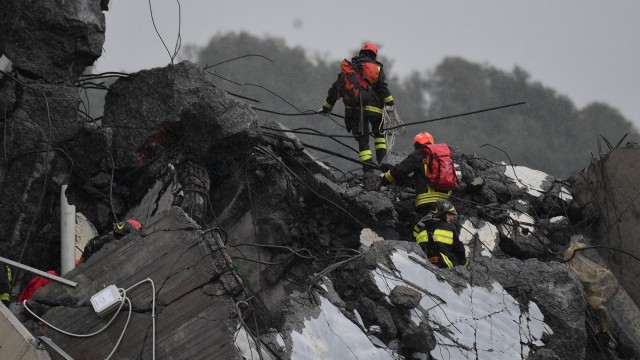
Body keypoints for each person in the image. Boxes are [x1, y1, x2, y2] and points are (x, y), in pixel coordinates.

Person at [320, 42, 395, 174]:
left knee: (363, 141)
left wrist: (326, 108)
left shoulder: (349, 70)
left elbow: (335, 90)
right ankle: (384, 167)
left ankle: (368, 172)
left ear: (361, 53)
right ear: (374, 55)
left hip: (355, 111)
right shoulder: (376, 68)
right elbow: (382, 88)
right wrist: (390, 104)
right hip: (375, 110)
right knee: (379, 137)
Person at [415, 200, 467, 269]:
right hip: (447, 265)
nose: (452, 217)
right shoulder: (449, 227)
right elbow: (459, 249)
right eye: (450, 214)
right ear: (442, 214)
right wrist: (465, 265)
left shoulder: (422, 229)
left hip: (425, 263)